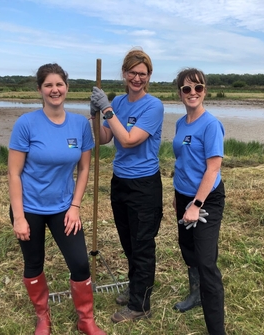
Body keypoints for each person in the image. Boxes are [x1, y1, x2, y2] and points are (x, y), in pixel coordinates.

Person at [8, 63, 106, 335]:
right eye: (48, 85)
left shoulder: (79, 124)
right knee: (34, 263)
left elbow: (84, 168)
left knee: (80, 263)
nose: (55, 90)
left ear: (67, 87)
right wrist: (19, 217)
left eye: (59, 84)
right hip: (29, 208)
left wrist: (75, 207)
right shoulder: (26, 124)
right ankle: (43, 316)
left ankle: (85, 319)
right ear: (40, 89)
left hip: (64, 208)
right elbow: (14, 173)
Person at [90, 48, 164, 323]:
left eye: (142, 74)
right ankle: (136, 286)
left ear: (149, 76)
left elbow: (131, 139)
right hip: (120, 181)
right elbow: (105, 139)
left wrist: (107, 109)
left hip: (144, 185)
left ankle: (140, 305)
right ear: (124, 74)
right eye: (132, 73)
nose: (137, 78)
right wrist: (96, 116)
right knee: (128, 242)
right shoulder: (119, 101)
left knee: (142, 243)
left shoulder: (153, 106)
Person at [172, 68, 227, 335]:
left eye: (198, 88)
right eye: (186, 88)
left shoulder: (211, 125)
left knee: (206, 262)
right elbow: (182, 160)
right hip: (182, 196)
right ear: (180, 93)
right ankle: (195, 296)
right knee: (188, 250)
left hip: (205, 200)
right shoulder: (181, 123)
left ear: (204, 91)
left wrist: (196, 204)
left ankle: (216, 330)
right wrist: (179, 198)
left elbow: (212, 169)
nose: (192, 93)